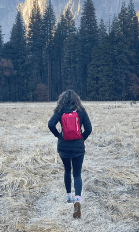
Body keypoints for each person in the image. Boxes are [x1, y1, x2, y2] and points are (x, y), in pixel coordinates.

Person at [48, 89, 92, 219]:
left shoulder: (60, 110)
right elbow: (89, 129)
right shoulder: (81, 111)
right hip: (78, 147)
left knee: (67, 171)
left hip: (64, 146)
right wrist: (81, 138)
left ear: (62, 99)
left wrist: (59, 136)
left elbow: (50, 124)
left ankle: (68, 197)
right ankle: (77, 201)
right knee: (77, 173)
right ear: (76, 99)